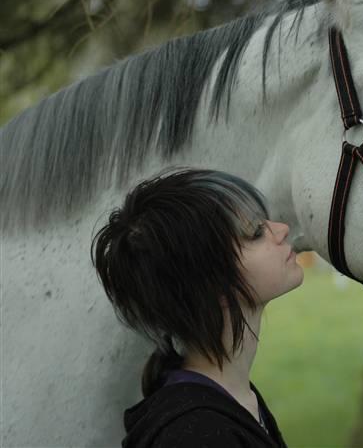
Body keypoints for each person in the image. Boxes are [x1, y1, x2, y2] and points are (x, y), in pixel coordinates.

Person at [91, 168, 303, 447]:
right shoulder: (195, 435)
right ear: (214, 286)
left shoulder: (232, 400)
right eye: (255, 233)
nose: (281, 229)